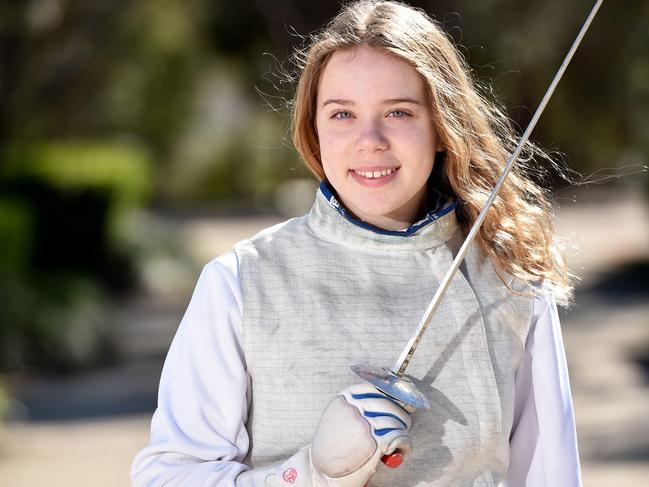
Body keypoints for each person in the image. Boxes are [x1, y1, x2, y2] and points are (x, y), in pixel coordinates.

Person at [131, 1, 582, 485]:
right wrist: (307, 473)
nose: (369, 140)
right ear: (314, 127)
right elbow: (171, 477)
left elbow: (549, 475)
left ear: (441, 128)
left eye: (399, 112)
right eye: (343, 113)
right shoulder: (242, 281)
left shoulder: (510, 280)